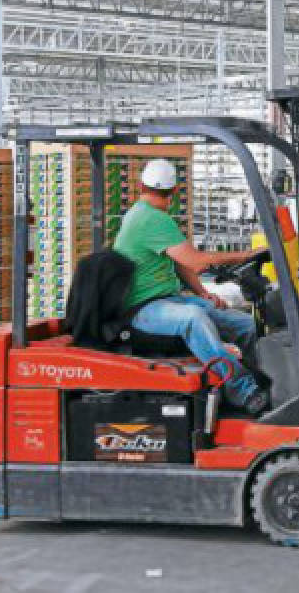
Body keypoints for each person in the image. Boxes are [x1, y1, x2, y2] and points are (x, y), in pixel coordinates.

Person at [113, 158, 270, 416]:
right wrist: (246, 255)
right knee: (194, 318)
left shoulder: (147, 216)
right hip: (141, 309)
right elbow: (197, 263)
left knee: (246, 325)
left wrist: (203, 293)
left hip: (165, 300)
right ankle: (244, 391)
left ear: (141, 186)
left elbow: (180, 264)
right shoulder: (151, 219)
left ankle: (268, 383)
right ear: (175, 192)